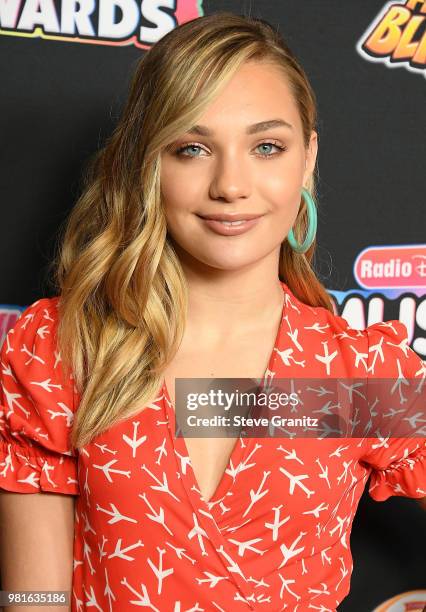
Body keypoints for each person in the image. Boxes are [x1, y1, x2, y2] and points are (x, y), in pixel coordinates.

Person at [0, 11, 425, 612]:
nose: (231, 184)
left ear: (307, 159)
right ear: (148, 163)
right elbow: (32, 600)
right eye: (193, 148)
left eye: (267, 147)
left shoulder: (351, 374)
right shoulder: (64, 349)